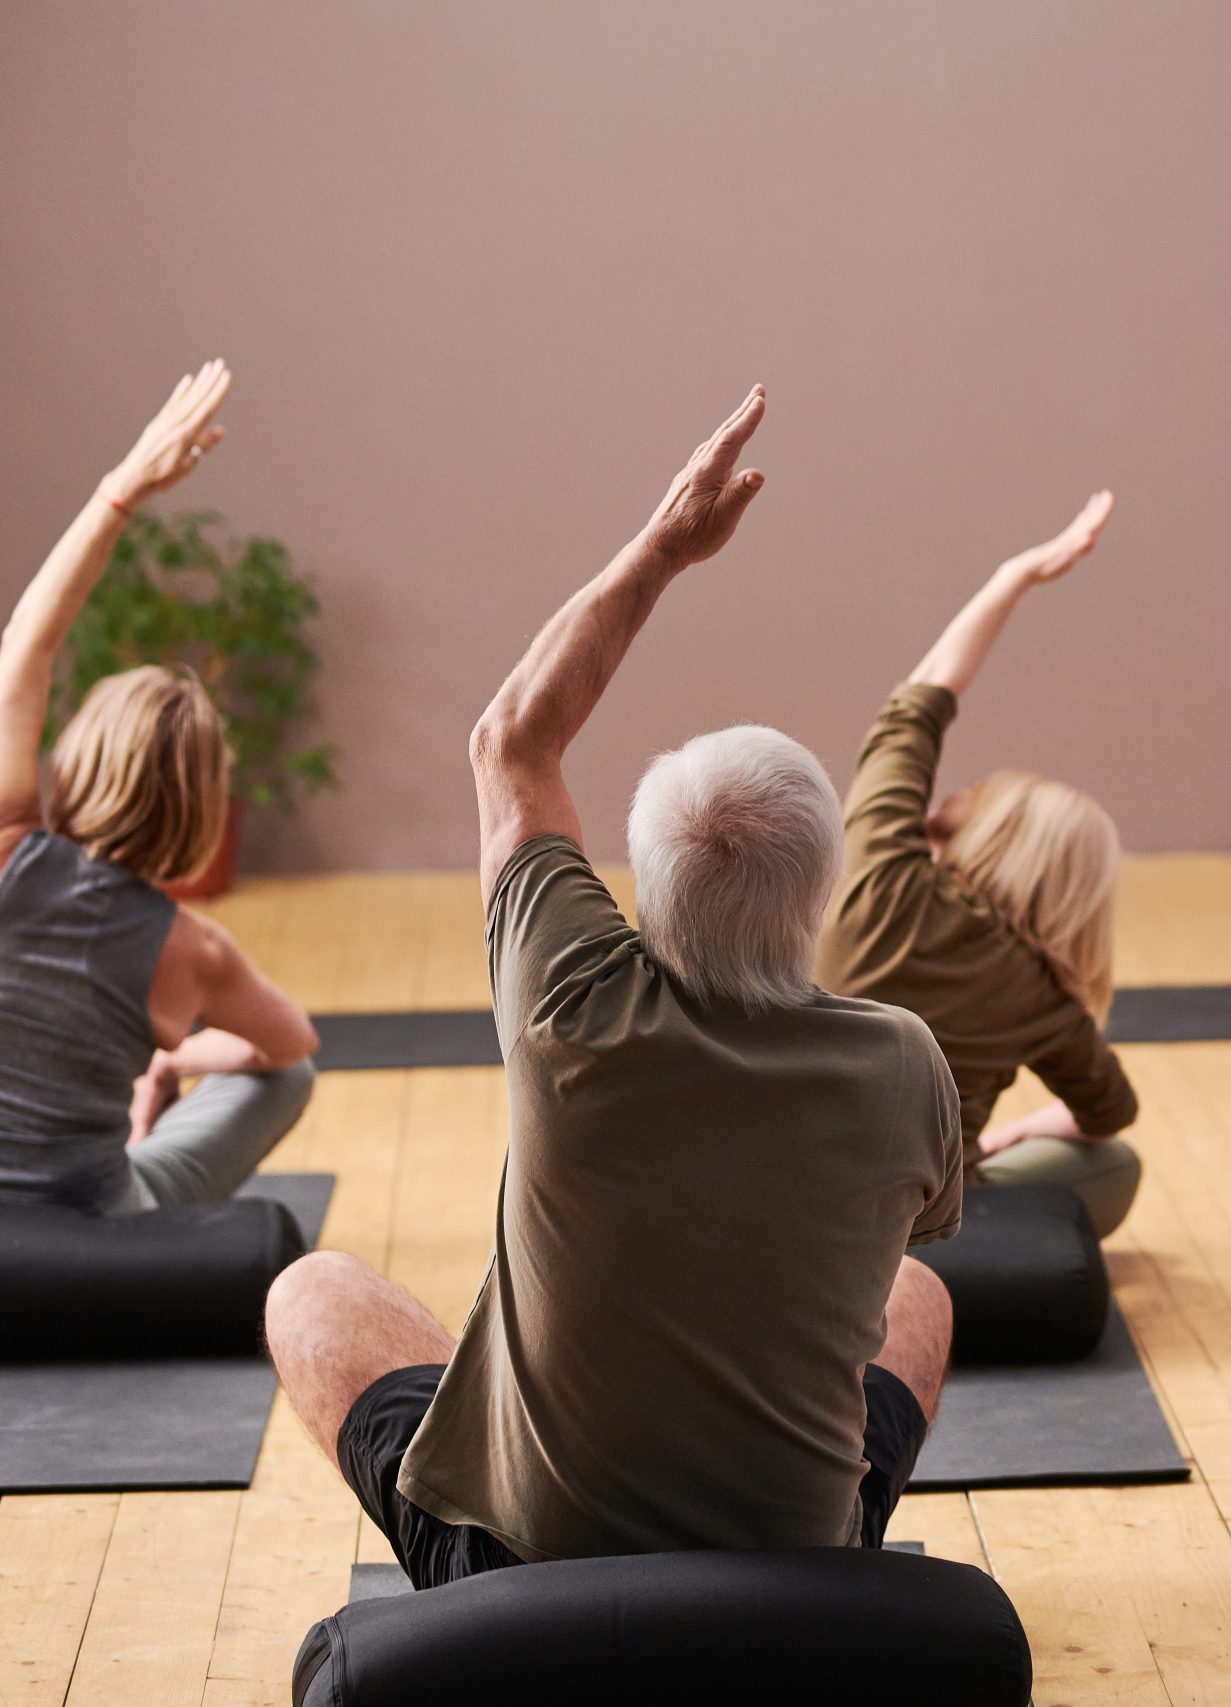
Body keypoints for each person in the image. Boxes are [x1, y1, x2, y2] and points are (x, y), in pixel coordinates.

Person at [265, 388, 965, 1587]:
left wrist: (664, 550)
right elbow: (911, 1224)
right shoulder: (903, 1062)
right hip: (796, 1560)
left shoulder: (569, 1002)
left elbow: (512, 742)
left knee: (311, 1292)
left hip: (516, 1563)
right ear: (822, 898)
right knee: (918, 1289)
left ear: (638, 887)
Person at [0, 359, 316, 1215]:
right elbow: (292, 1044)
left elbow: (26, 648)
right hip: (98, 1240)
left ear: (80, 757)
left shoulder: (7, 853)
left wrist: (121, 490)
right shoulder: (192, 949)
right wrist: (171, 1056)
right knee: (290, 1080)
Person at [815, 493, 1142, 1237]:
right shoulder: (1044, 999)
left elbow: (919, 702)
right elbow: (1110, 1113)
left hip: (785, 1185)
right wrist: (1009, 1136)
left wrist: (1013, 577)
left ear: (994, 836)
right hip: (915, 1227)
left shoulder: (884, 881)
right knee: (1115, 1165)